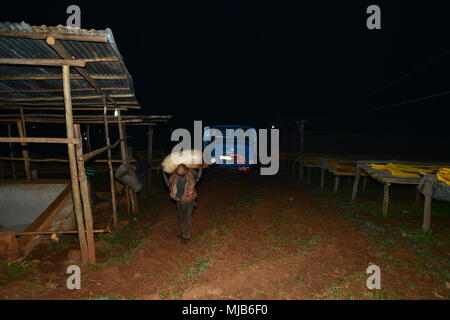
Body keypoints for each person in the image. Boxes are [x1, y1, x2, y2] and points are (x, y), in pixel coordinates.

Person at [162, 163, 203, 244]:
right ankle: (183, 232)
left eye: (181, 170)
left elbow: (198, 177)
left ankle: (186, 236)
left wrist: (201, 167)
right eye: (178, 170)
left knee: (188, 218)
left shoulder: (191, 175)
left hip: (189, 200)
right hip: (179, 200)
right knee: (182, 217)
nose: (179, 171)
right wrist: (163, 172)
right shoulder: (174, 176)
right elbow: (168, 184)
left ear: (185, 170)